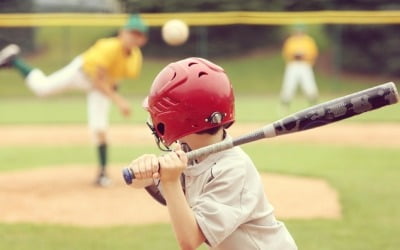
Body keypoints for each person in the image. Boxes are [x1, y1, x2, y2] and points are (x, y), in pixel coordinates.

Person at [126, 57, 298, 249]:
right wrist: (145, 171)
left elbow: (190, 240)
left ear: (177, 117)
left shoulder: (232, 169)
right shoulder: (190, 153)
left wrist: (170, 180)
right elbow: (148, 186)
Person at [0, 14, 149, 187]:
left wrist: (113, 92)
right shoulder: (109, 47)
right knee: (43, 88)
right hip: (81, 73)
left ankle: (102, 174)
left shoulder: (135, 59)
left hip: (101, 86)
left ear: (143, 39)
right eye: (131, 32)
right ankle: (15, 60)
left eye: (138, 34)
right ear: (122, 32)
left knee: (99, 127)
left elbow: (115, 78)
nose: (133, 37)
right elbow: (97, 81)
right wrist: (118, 100)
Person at [280, 24, 319, 110]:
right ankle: (285, 106)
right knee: (289, 85)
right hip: (293, 65)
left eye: (300, 31)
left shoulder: (309, 41)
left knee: (309, 86)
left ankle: (314, 105)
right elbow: (286, 53)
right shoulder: (290, 41)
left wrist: (304, 56)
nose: (299, 33)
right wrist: (294, 55)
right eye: (297, 31)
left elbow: (313, 53)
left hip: (305, 65)